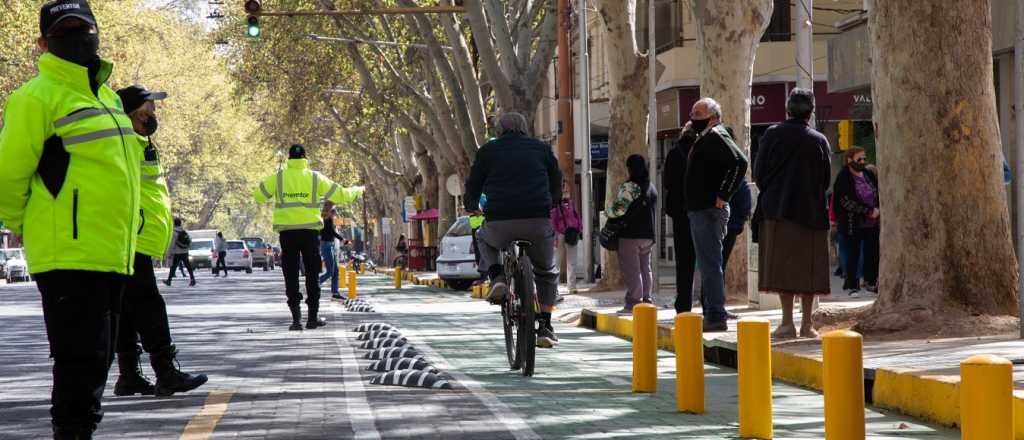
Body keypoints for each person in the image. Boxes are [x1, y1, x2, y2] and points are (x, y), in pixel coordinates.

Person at [0, 2, 142, 437]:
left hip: (112, 252)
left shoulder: (108, 97)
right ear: (43, 43)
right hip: (69, 254)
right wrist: (30, 224)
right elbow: (9, 175)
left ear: (98, 32)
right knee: (79, 365)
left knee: (97, 362)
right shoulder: (34, 97)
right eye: (65, 31)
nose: (78, 37)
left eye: (84, 28)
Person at [112, 85, 207, 398]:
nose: (154, 113)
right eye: (148, 107)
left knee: (126, 307)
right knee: (149, 304)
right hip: (128, 235)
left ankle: (128, 375)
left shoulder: (139, 141)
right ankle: (165, 372)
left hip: (134, 236)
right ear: (132, 111)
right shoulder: (123, 140)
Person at [464, 112, 562, 348]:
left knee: (482, 237)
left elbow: (473, 185)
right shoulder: (541, 149)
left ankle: (497, 275)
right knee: (546, 272)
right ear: (525, 128)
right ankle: (545, 325)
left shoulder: (488, 151)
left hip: (499, 222)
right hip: (537, 221)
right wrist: (553, 201)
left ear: (499, 131)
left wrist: (471, 207)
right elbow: (556, 180)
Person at [253, 144, 363, 331]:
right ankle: (312, 318)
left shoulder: (279, 178)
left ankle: (296, 320)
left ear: (289, 158)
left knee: (291, 274)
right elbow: (342, 194)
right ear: (305, 157)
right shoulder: (314, 177)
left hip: (287, 234)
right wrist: (358, 190)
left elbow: (258, 196)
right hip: (310, 233)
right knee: (312, 274)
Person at [753, 88, 833, 339]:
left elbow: (758, 173)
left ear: (787, 109)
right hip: (811, 212)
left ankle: (787, 322)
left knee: (783, 268)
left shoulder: (772, 134)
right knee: (809, 269)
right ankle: (807, 325)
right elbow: (825, 180)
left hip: (777, 211)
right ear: (811, 112)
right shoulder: (819, 140)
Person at [684, 98, 749, 333]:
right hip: (701, 210)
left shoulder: (718, 134)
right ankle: (711, 311)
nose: (693, 117)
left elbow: (740, 162)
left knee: (710, 264)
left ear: (713, 117)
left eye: (698, 113)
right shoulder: (705, 137)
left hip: (708, 211)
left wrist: (724, 195)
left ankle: (715, 314)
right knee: (709, 263)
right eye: (692, 112)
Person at [606, 155, 658, 314]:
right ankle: (647, 299)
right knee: (645, 268)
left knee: (632, 270)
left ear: (630, 168)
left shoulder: (630, 187)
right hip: (648, 235)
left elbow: (618, 210)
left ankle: (634, 303)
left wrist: (608, 211)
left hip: (630, 235)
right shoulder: (651, 187)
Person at [833, 146, 880, 297]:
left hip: (872, 223)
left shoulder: (867, 174)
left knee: (872, 252)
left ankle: (871, 282)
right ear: (849, 160)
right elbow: (845, 201)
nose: (862, 162)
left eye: (864, 159)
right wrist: (867, 211)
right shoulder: (843, 177)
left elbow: (877, 192)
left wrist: (877, 209)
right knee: (854, 254)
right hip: (853, 222)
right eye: (859, 159)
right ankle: (853, 285)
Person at [664, 122, 698, 313]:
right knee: (709, 261)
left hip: (680, 213)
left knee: (684, 261)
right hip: (702, 210)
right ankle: (709, 304)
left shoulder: (674, 153)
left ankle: (683, 303)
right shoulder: (702, 149)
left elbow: (668, 182)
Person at [550, 181, 582, 293]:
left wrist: (579, 228)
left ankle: (572, 287)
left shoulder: (571, 203)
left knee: (572, 261)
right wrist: (554, 237)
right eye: (564, 190)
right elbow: (552, 221)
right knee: (556, 262)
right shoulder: (555, 204)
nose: (566, 191)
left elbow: (576, 215)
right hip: (560, 234)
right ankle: (555, 288)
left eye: (567, 189)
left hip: (572, 233)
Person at [319, 209, 345, 299]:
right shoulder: (326, 220)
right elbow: (332, 232)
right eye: (333, 214)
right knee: (330, 272)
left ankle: (335, 292)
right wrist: (342, 239)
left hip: (330, 246)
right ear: (329, 213)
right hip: (327, 246)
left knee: (335, 271)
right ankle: (315, 284)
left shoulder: (326, 220)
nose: (334, 216)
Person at [164, 218, 196, 287]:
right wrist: (187, 249)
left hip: (177, 252)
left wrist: (169, 253)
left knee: (173, 267)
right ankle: (193, 279)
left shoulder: (174, 232)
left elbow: (172, 244)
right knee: (188, 266)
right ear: (180, 223)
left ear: (174, 223)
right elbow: (189, 241)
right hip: (185, 252)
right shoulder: (184, 231)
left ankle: (169, 281)